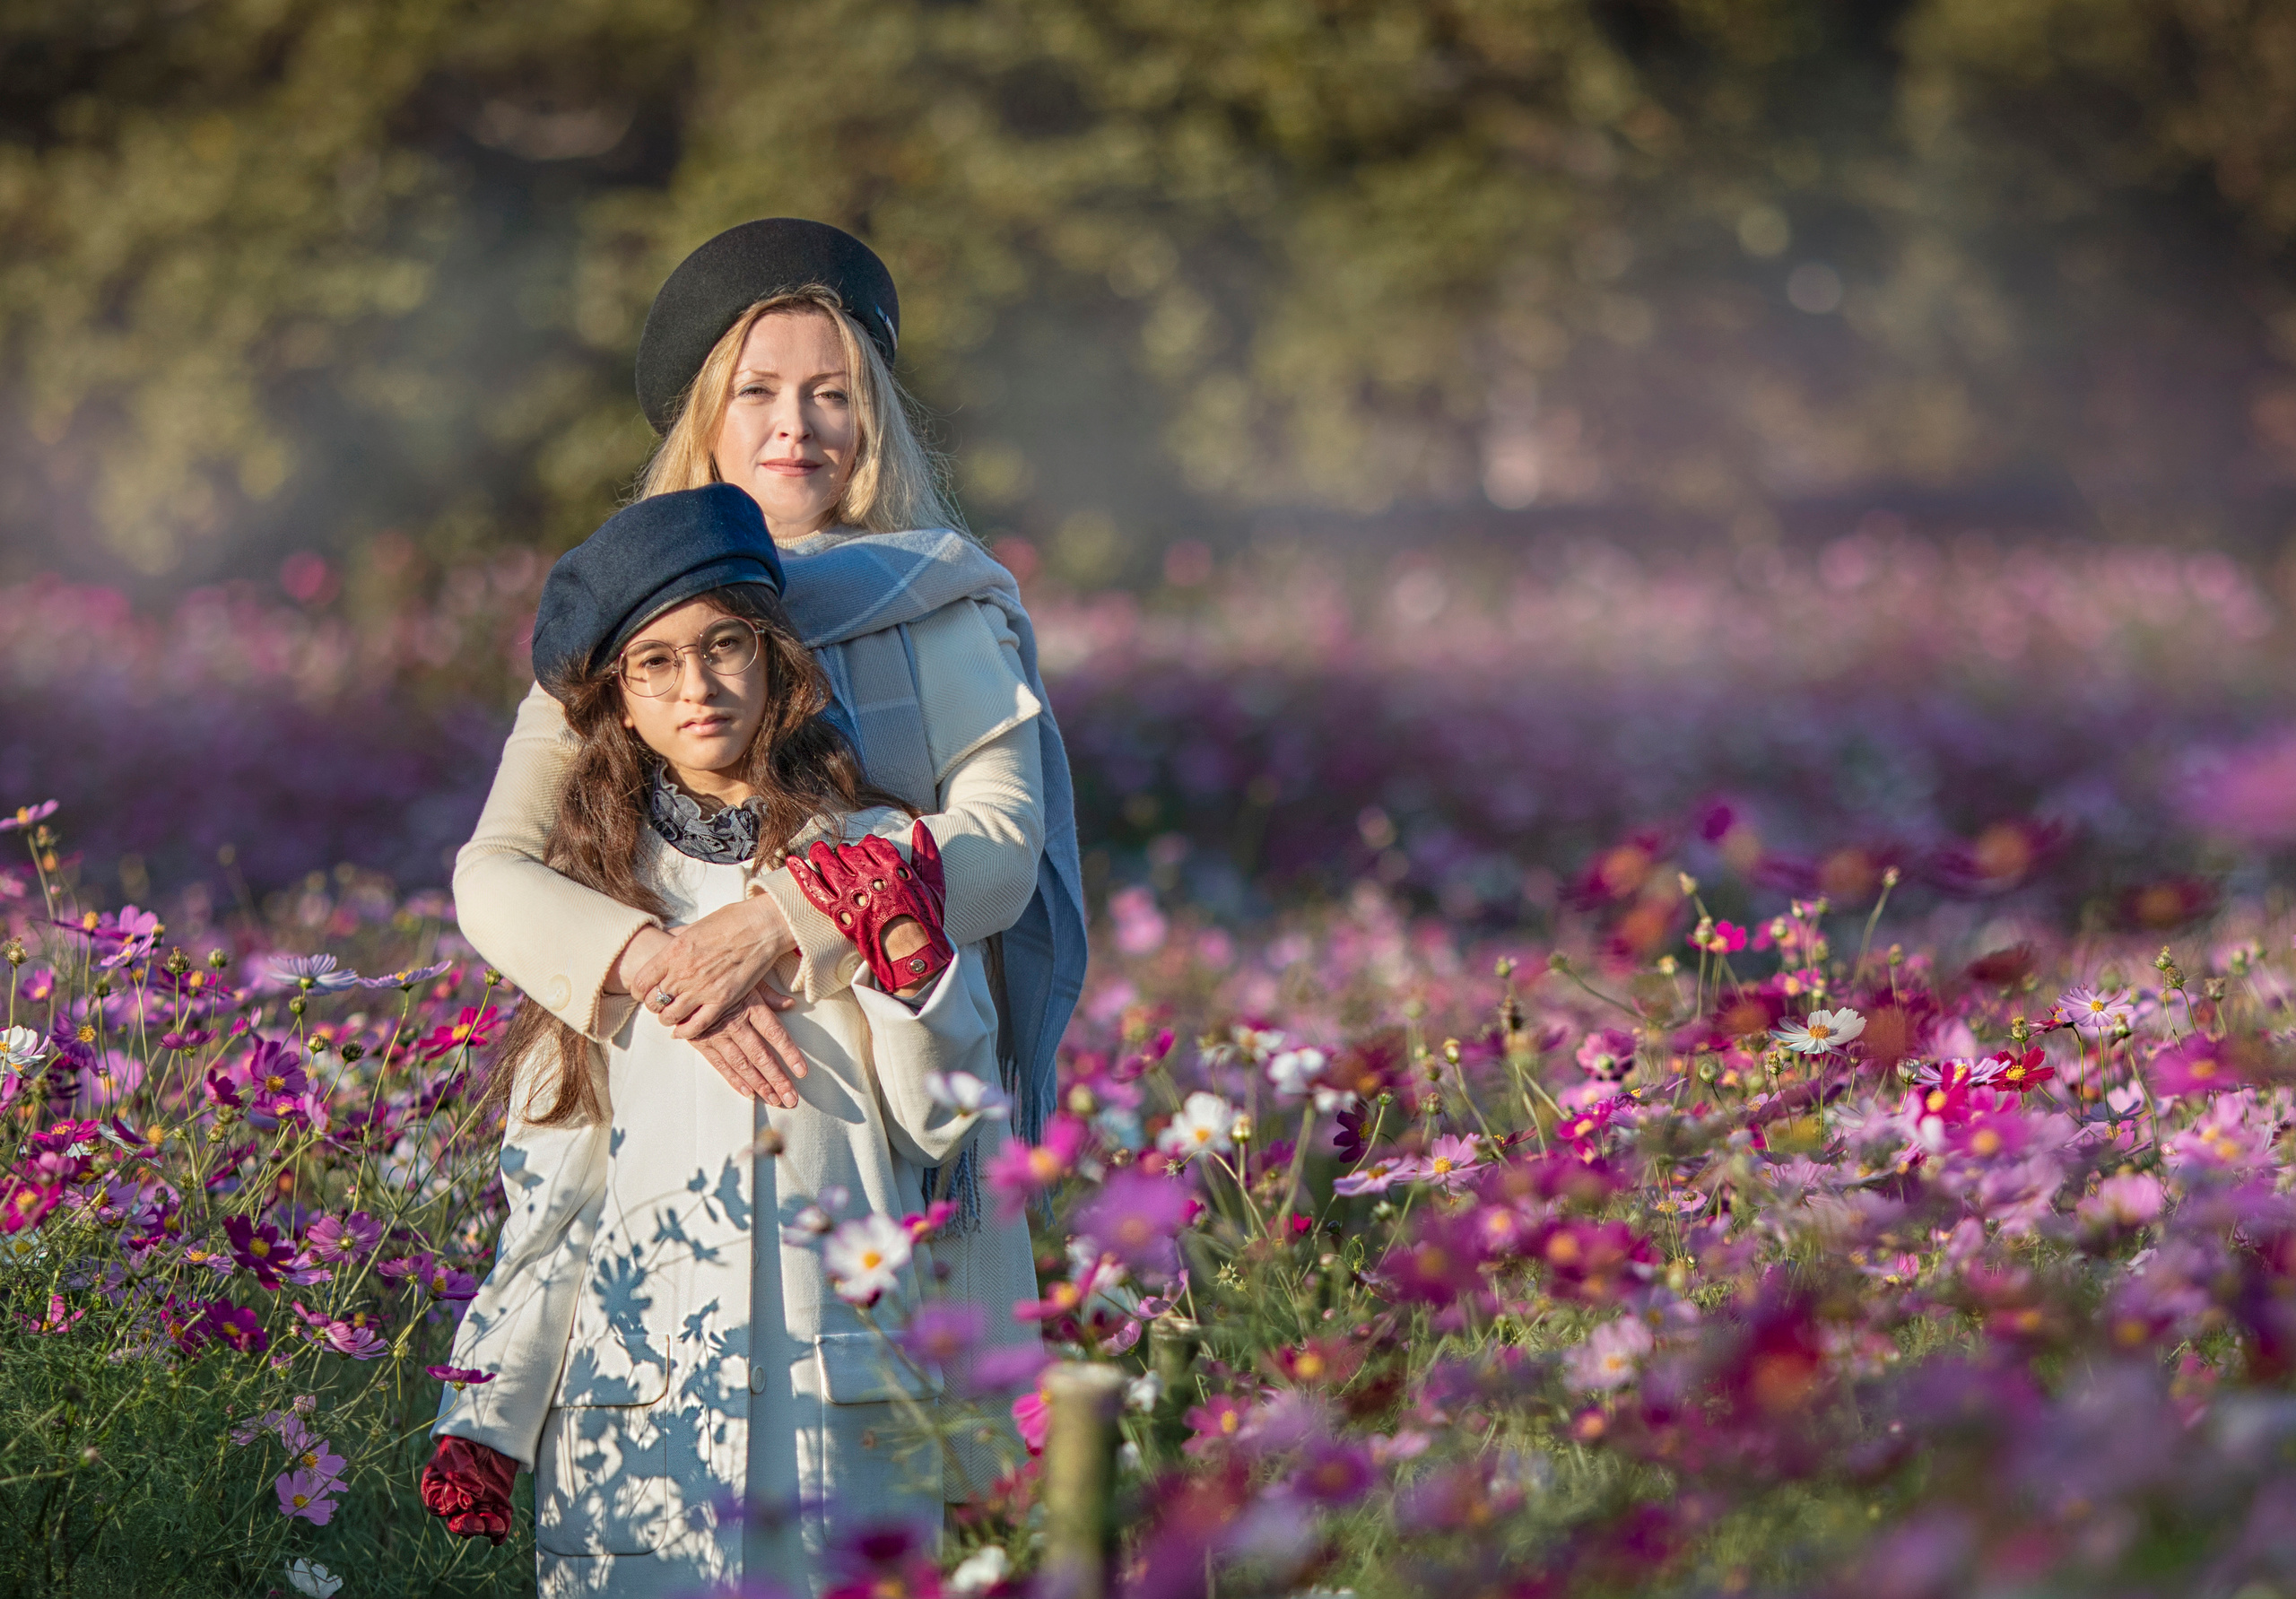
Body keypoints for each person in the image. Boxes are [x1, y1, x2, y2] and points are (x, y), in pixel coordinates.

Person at [448, 219, 1082, 1497]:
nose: (798, 425)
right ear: (708, 416)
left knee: (860, 1499)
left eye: (833, 393)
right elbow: (496, 869)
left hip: (881, 1095)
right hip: (669, 1081)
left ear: (876, 419)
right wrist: (656, 956)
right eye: (759, 391)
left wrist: (791, 919)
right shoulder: (635, 602)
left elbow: (1003, 852)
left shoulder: (943, 609)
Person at [422, 484, 1002, 1595]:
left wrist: (908, 960)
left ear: (776, 659)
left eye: (726, 643)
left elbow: (943, 1121)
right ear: (621, 704)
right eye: (654, 663)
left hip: (838, 1400)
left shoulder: (872, 853)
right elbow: (554, 1195)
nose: (697, 685)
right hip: (638, 1416)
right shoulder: (596, 908)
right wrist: (486, 1407)